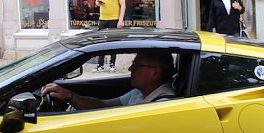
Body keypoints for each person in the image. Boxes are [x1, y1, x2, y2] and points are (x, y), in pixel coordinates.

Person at [42, 51, 175, 110]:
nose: (130, 69)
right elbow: (102, 105)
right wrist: (70, 96)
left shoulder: (163, 105)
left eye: (137, 65)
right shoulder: (139, 93)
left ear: (155, 72)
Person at [93, 0, 126, 72]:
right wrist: (98, 3)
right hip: (102, 19)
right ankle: (100, 65)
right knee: (101, 42)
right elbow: (96, 1)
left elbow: (123, 5)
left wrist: (120, 20)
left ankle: (112, 64)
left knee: (113, 42)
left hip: (114, 19)